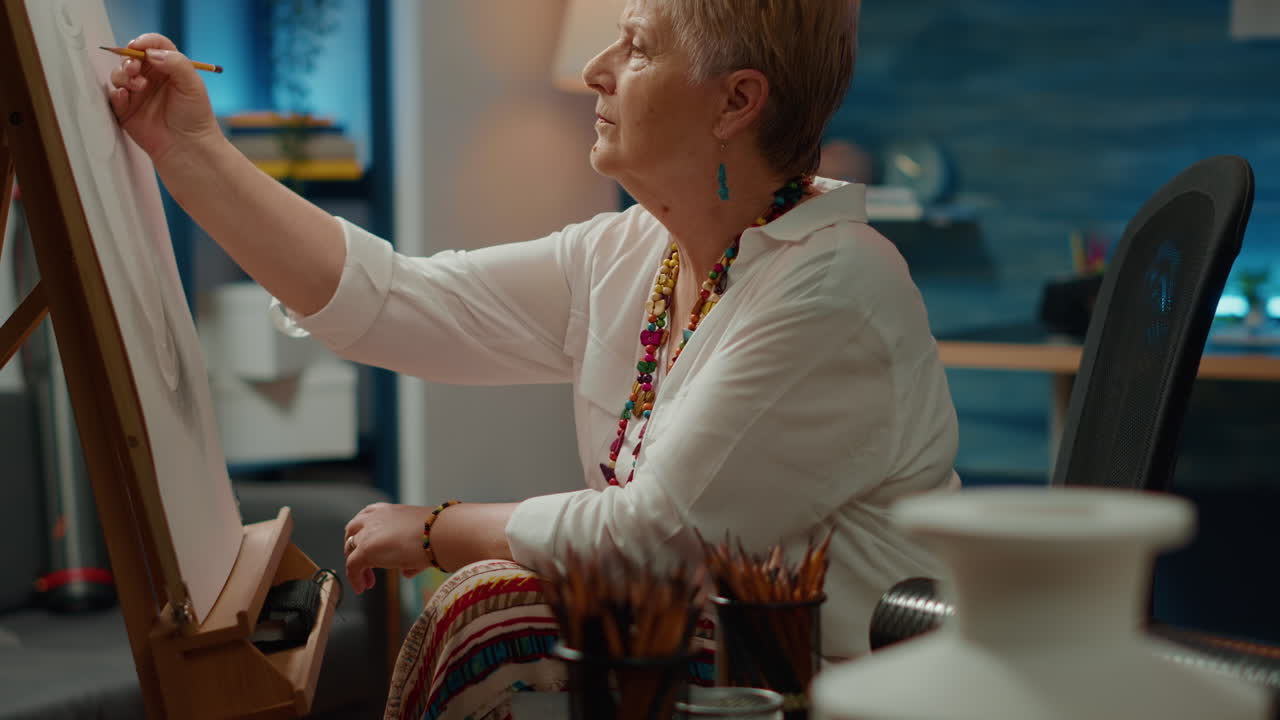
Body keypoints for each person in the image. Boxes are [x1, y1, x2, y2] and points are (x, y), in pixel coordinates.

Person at [109, 0, 958, 716]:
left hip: (831, 687)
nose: (595, 69)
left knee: (493, 613)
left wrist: (440, 530)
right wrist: (187, 148)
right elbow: (394, 302)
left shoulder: (833, 288)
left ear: (736, 101)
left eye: (635, 48)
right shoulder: (638, 251)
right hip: (680, 659)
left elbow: (646, 538)